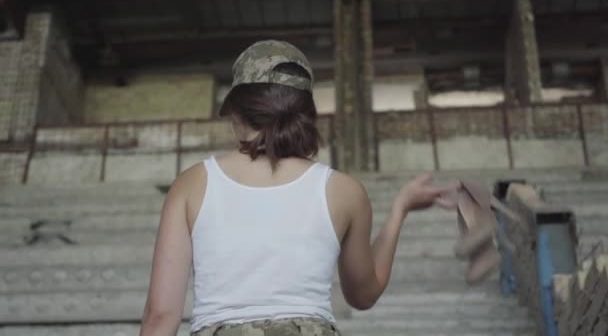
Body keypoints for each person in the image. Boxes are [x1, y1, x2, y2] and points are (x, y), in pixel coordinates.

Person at [139, 40, 459, 336]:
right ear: (307, 114)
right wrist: (399, 210)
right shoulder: (343, 191)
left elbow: (161, 316)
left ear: (235, 112)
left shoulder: (192, 184)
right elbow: (363, 295)